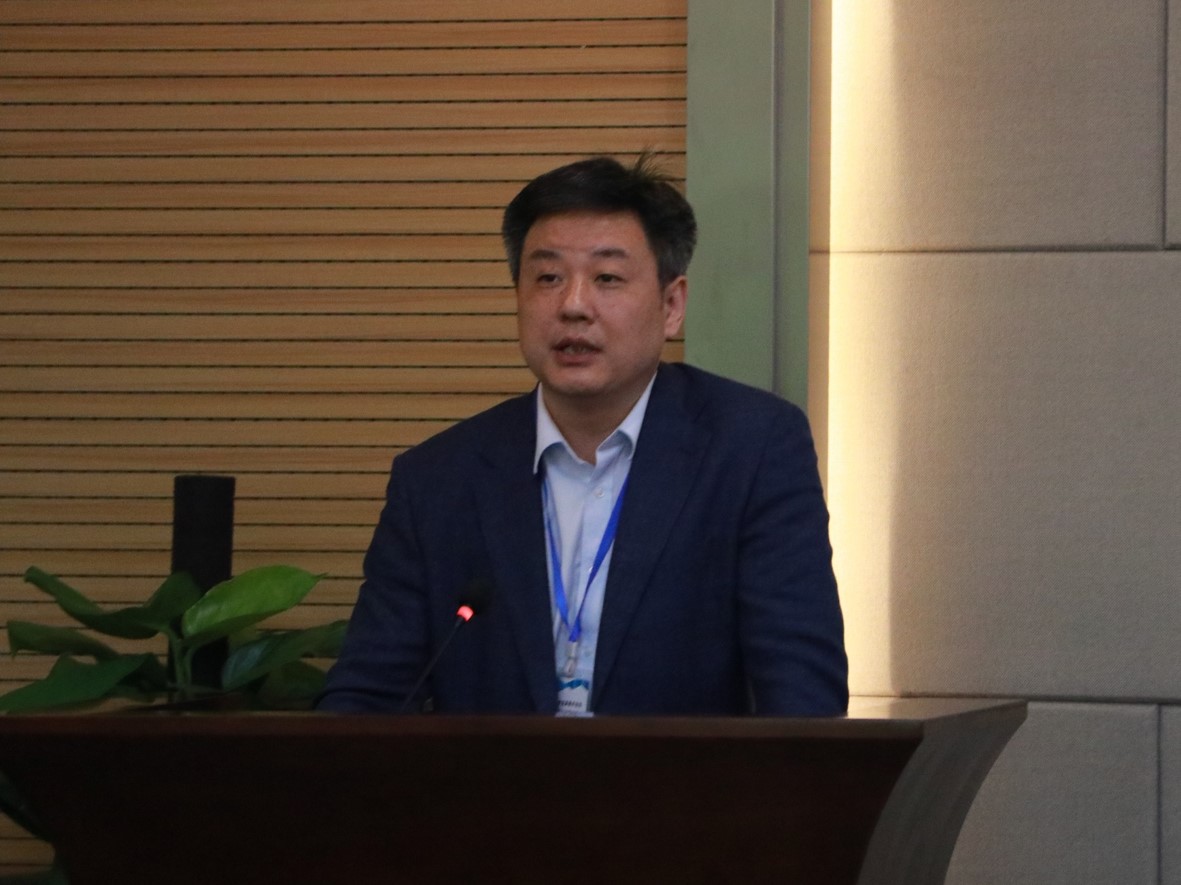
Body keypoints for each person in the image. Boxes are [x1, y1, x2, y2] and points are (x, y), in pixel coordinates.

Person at [317, 154, 847, 716]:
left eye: (607, 278)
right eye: (548, 278)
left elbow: (802, 697)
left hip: (684, 776)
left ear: (671, 306)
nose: (573, 306)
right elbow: (366, 698)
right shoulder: (438, 478)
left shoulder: (752, 449)